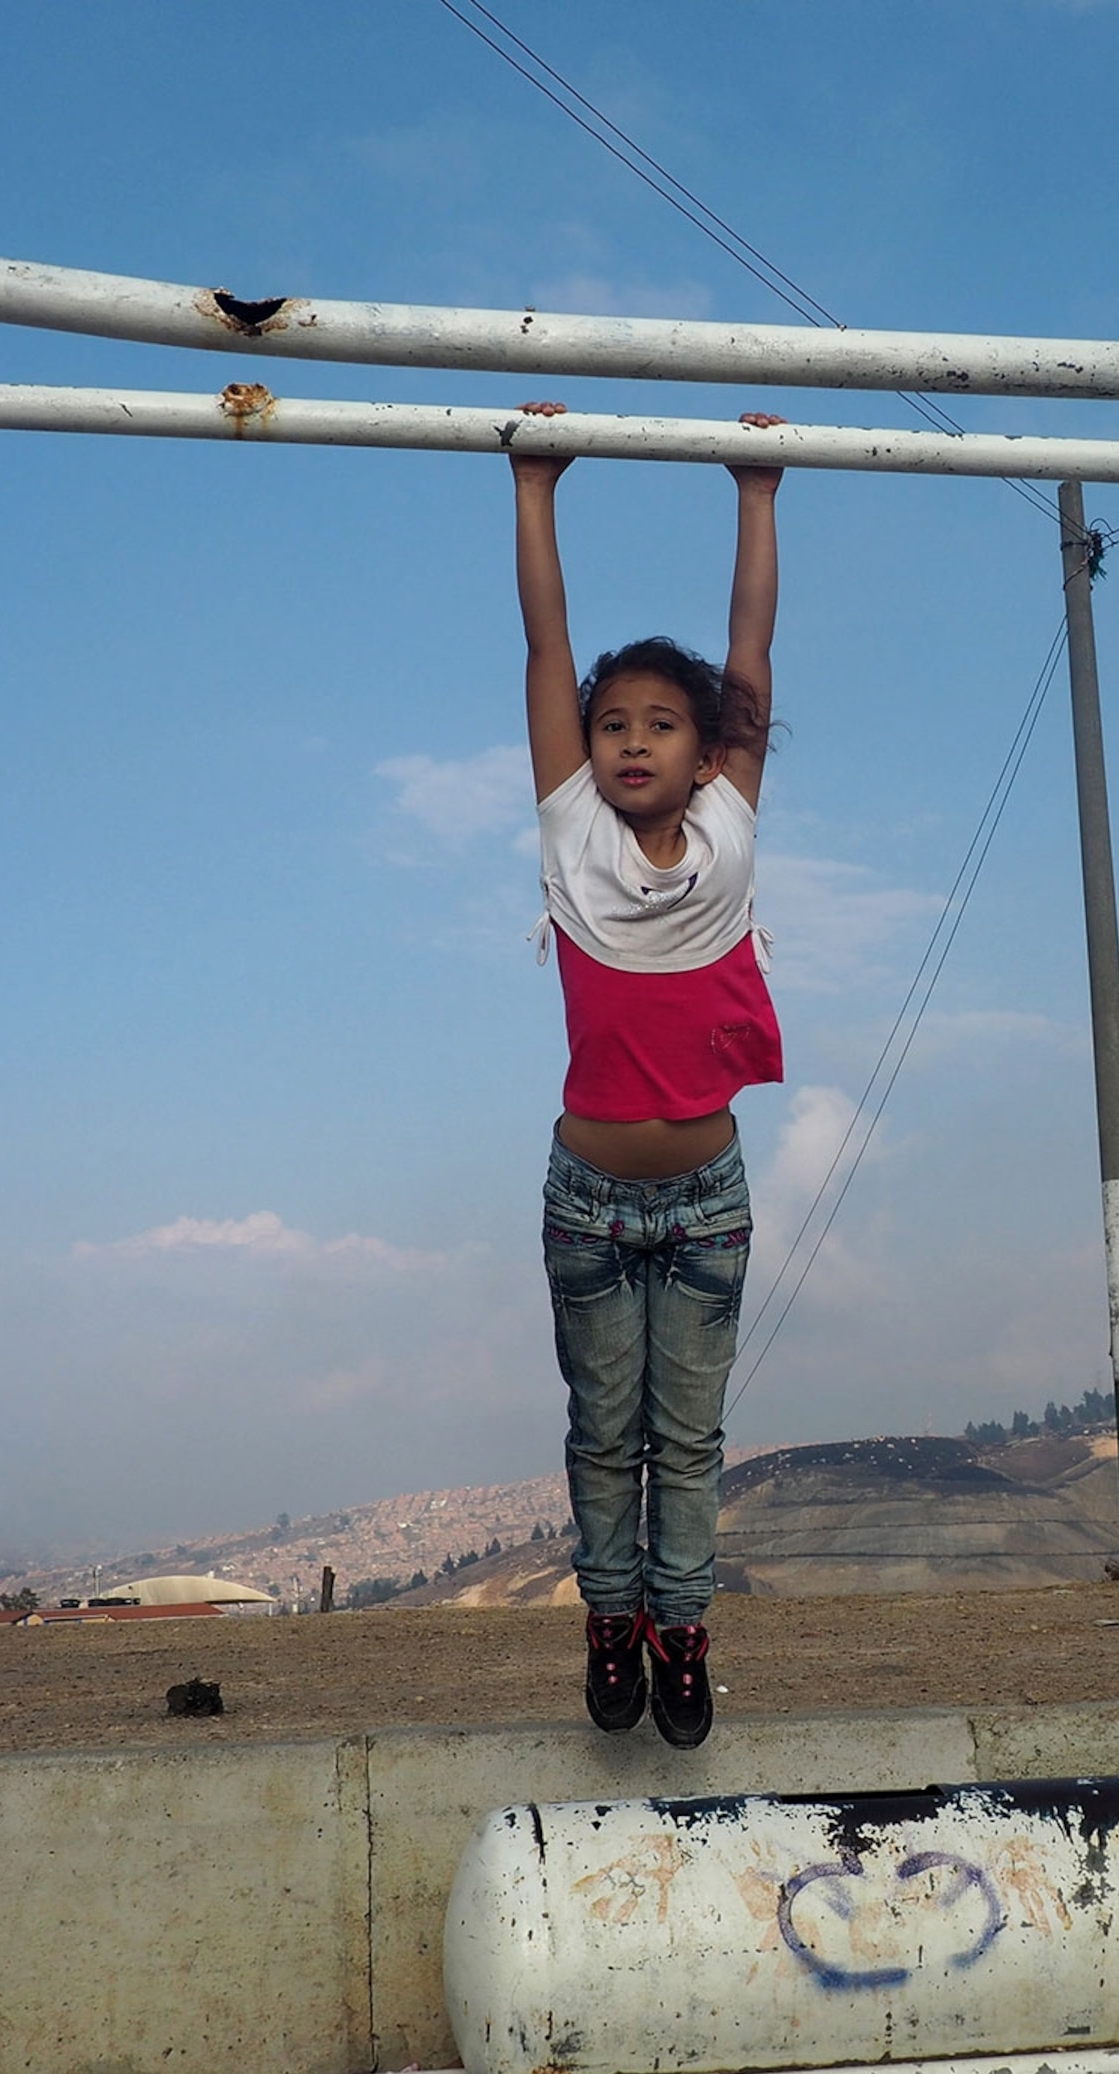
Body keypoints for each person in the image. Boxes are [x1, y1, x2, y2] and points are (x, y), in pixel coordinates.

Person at [511, 405, 786, 1749]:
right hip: (592, 1201)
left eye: (659, 726)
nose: (629, 742)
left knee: (688, 1446)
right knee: (601, 1440)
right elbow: (545, 646)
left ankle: (684, 1639)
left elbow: (751, 653)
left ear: (706, 748)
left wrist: (757, 488)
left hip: (707, 1204)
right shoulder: (572, 833)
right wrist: (536, 485)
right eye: (610, 724)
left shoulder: (730, 828)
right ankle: (608, 1619)